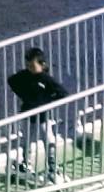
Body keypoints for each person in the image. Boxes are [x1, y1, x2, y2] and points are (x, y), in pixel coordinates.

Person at [8, 45, 69, 179]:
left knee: (48, 140)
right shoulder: (25, 75)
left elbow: (63, 93)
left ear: (42, 65)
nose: (30, 68)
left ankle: (53, 167)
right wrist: (24, 95)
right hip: (28, 114)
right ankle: (25, 163)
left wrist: (48, 101)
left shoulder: (46, 79)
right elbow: (11, 80)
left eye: (32, 66)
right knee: (26, 141)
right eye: (28, 65)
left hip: (43, 116)